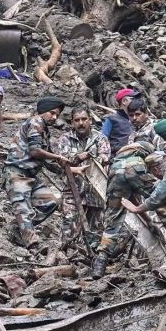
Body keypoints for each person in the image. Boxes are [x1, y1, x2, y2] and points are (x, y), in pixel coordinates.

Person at [4, 96, 69, 249]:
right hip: (17, 173)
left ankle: (16, 228)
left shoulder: (44, 131)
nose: (54, 118)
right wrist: (59, 157)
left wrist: (70, 169)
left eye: (57, 115)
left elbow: (49, 162)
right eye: (52, 113)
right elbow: (35, 152)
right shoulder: (36, 122)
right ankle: (32, 246)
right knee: (23, 208)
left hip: (30, 177)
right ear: (42, 111)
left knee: (51, 201)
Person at [92, 141, 157, 279]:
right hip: (136, 167)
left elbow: (131, 200)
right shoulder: (147, 147)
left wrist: (148, 221)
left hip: (115, 171)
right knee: (161, 199)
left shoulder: (124, 151)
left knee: (113, 221)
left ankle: (100, 263)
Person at [56, 106, 111, 253]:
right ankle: (64, 256)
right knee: (69, 225)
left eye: (84, 119)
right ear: (72, 122)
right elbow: (63, 162)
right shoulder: (65, 139)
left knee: (97, 230)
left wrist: (86, 158)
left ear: (90, 120)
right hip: (72, 191)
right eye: (77, 120)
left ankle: (93, 258)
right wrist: (80, 157)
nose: (81, 123)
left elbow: (104, 158)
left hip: (96, 191)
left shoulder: (100, 138)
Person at [102, 88, 136, 153]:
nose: (136, 101)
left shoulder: (136, 118)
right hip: (118, 156)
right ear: (124, 101)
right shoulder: (111, 119)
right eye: (133, 99)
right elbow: (102, 140)